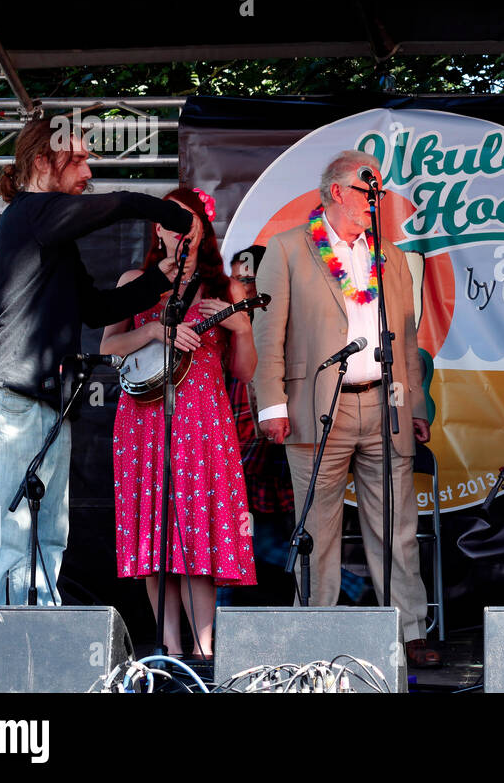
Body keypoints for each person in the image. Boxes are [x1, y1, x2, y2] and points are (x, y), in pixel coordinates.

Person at [0, 113, 194, 606]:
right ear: (44, 161)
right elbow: (116, 206)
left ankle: (36, 671)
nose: (88, 173)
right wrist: (171, 215)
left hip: (47, 408)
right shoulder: (28, 214)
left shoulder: (53, 235)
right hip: (9, 404)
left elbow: (95, 309)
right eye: (80, 160)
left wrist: (160, 277)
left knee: (46, 545)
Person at [251, 150, 439, 668]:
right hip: (316, 405)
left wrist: (415, 404)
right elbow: (268, 338)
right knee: (317, 527)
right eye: (367, 191)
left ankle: (408, 630)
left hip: (384, 404)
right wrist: (271, 404)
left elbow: (406, 339)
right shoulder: (288, 249)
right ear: (337, 191)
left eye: (378, 192)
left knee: (397, 525)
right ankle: (315, 629)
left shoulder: (391, 255)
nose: (375, 201)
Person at [100, 187, 257, 657]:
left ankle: (205, 651)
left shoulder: (224, 289)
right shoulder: (135, 280)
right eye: (170, 220)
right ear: (157, 229)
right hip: (144, 422)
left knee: (197, 539)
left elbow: (244, 372)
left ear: (203, 229)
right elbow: (108, 347)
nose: (178, 229)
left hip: (203, 424)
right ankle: (168, 651)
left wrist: (242, 329)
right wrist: (151, 330)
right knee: (155, 540)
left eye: (188, 220)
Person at [220, 245, 296, 606]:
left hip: (274, 456)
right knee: (236, 542)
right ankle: (219, 632)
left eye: (252, 279)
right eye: (239, 279)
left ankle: (349, 592)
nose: (245, 287)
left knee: (262, 542)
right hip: (235, 458)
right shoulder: (226, 324)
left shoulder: (287, 322)